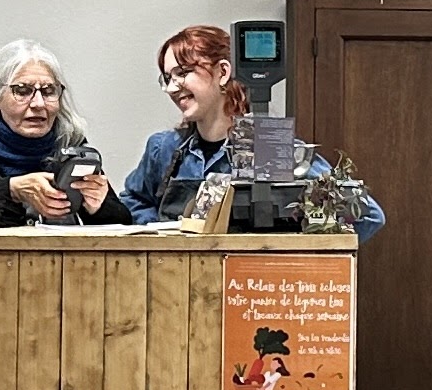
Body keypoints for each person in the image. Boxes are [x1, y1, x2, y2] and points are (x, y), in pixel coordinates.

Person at [123, 24, 386, 239]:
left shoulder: (270, 149)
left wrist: (303, 256)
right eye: (168, 78)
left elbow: (368, 215)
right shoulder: (163, 149)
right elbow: (133, 201)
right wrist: (157, 231)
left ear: (223, 72)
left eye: (182, 73)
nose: (172, 88)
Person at [0, 40, 127, 226]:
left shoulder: (71, 144)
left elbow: (123, 222)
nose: (38, 104)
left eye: (48, 91)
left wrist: (98, 206)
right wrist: (11, 189)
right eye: (23, 91)